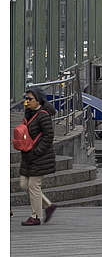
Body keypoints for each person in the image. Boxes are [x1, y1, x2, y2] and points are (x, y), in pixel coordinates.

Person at [18, 88, 57, 226]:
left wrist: (38, 151)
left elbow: (49, 136)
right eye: (26, 99)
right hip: (28, 156)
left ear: (38, 100)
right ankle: (48, 205)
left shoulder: (43, 115)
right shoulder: (30, 113)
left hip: (40, 157)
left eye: (30, 99)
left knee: (34, 186)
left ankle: (35, 216)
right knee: (24, 185)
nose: (27, 102)